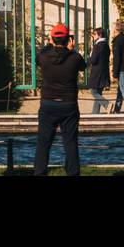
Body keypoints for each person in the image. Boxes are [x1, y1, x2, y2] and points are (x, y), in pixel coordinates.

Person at [34, 24, 86, 176]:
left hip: (48, 103)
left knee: (43, 142)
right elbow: (83, 66)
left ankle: (39, 172)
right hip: (68, 103)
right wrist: (71, 49)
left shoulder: (44, 57)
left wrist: (49, 44)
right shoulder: (75, 57)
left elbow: (39, 56)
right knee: (70, 142)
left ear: (51, 38)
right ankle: (73, 173)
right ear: (68, 39)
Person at [87, 27, 110, 114]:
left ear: (99, 35)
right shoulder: (106, 45)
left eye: (95, 34)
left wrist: (87, 62)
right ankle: (95, 113)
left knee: (94, 91)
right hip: (104, 70)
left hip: (97, 71)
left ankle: (107, 104)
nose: (93, 36)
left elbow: (93, 60)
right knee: (98, 92)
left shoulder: (97, 46)